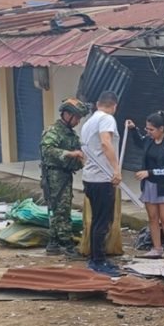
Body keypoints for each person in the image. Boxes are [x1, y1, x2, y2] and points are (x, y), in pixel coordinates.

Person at [80, 91, 123, 277]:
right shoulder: (107, 119)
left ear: (98, 103)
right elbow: (106, 143)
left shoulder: (88, 122)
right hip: (102, 178)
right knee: (103, 221)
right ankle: (98, 261)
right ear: (114, 106)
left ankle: (97, 257)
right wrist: (116, 169)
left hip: (90, 177)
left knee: (97, 219)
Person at [39, 98, 89, 260]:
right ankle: (68, 246)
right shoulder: (53, 131)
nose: (77, 122)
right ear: (67, 115)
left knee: (57, 209)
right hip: (55, 175)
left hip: (65, 174)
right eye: (76, 118)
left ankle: (53, 242)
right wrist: (69, 154)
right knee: (61, 210)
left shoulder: (70, 134)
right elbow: (47, 149)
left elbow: (78, 151)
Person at [126, 111, 164, 259]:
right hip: (149, 185)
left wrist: (150, 172)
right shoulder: (148, 140)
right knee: (153, 218)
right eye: (147, 129)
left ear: (161, 129)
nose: (148, 132)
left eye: (151, 130)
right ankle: (157, 247)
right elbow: (139, 142)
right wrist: (133, 129)